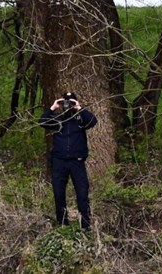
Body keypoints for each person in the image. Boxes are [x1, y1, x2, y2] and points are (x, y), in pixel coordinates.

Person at [38, 92, 98, 229]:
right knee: (59, 193)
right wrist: (53, 107)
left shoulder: (80, 120)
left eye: (70, 102)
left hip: (77, 161)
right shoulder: (58, 119)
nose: (67, 105)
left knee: (82, 192)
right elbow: (42, 122)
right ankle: (63, 223)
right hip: (59, 162)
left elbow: (93, 121)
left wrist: (79, 108)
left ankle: (85, 225)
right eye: (65, 102)